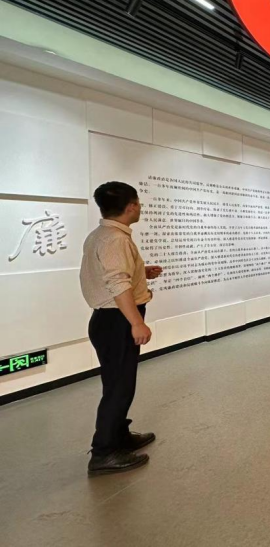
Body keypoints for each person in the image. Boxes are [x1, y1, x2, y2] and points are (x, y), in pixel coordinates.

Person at [80, 181, 162, 476]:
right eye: (138, 202)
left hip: (110, 320)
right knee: (119, 387)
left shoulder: (101, 235)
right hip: (117, 320)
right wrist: (137, 322)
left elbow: (112, 275)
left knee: (118, 383)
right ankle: (103, 452)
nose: (140, 207)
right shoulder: (115, 239)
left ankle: (119, 436)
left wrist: (140, 272)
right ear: (130, 206)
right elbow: (116, 284)